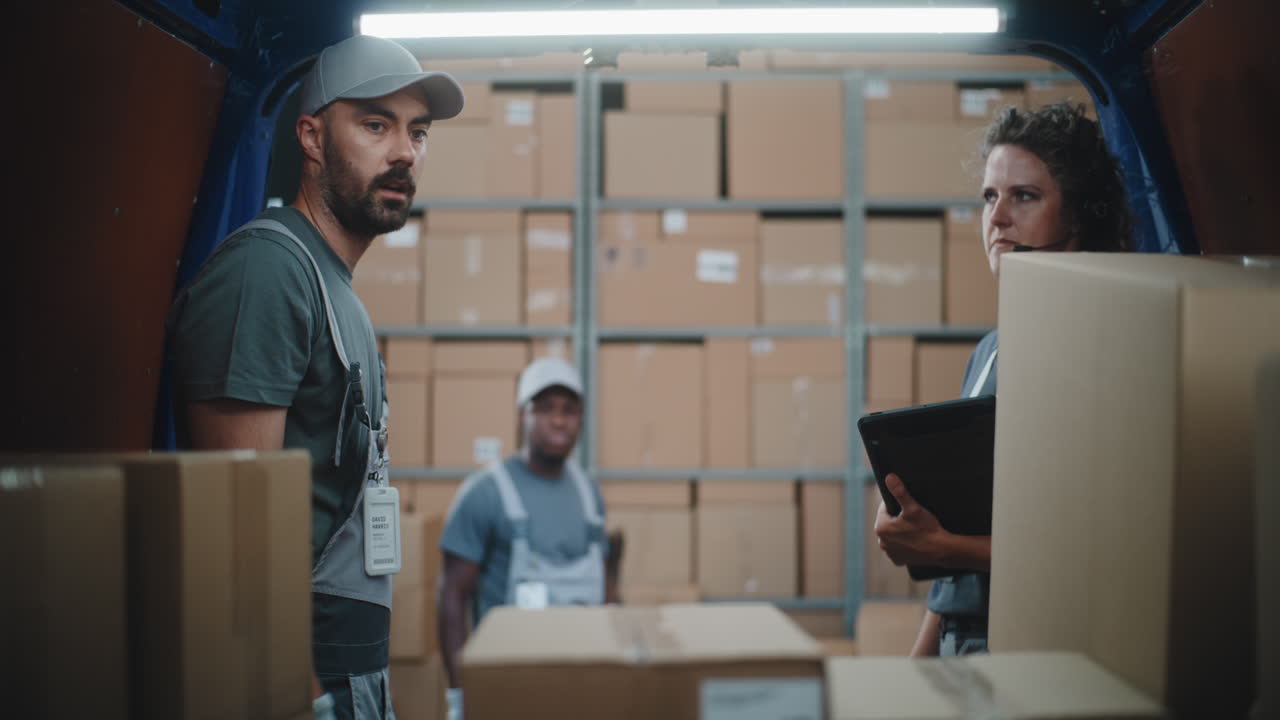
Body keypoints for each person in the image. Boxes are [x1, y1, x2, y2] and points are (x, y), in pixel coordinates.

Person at [166, 35, 464, 719]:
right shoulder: (267, 275)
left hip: (351, 678)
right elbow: (240, 531)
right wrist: (301, 700)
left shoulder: (334, 288)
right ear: (310, 135)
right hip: (305, 684)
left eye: (417, 132)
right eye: (374, 124)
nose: (404, 153)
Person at [873, 102, 1134, 657]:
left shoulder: (1106, 347)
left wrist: (944, 546)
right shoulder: (992, 349)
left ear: (1081, 214)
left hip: (1039, 646)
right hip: (964, 643)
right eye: (990, 197)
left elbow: (1099, 553)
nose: (996, 219)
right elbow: (955, 579)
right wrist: (918, 667)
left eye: (1025, 196)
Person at [437, 357, 619, 718]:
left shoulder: (588, 494)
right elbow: (452, 595)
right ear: (523, 415)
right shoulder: (486, 493)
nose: (558, 420)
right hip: (508, 687)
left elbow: (606, 585)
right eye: (545, 408)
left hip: (583, 686)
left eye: (569, 410)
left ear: (581, 420)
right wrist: (460, 689)